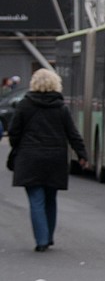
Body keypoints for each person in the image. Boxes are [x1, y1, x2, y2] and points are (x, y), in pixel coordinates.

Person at [8, 68, 89, 252]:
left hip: (29, 157)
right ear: (55, 84)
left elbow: (14, 132)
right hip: (55, 158)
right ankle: (49, 236)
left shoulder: (24, 105)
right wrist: (82, 154)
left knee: (36, 199)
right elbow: (72, 134)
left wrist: (18, 147)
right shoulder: (61, 108)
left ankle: (41, 239)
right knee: (51, 198)